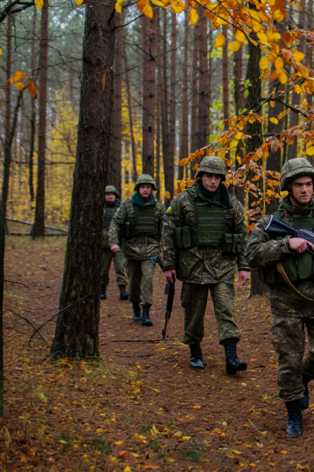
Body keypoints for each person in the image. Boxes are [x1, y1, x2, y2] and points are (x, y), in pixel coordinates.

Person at [245, 158, 314, 437]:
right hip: (286, 304)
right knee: (289, 360)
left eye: (308, 184)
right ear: (288, 187)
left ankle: (303, 379)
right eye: (299, 185)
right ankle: (294, 411)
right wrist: (286, 244)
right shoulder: (271, 223)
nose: (305, 190)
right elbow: (252, 254)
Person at [160, 156, 250, 372]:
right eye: (209, 176)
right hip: (193, 268)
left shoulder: (232, 204)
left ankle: (231, 357)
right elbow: (168, 232)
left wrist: (244, 266)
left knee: (226, 311)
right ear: (200, 177)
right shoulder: (183, 201)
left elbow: (241, 235)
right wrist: (169, 265)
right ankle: (195, 350)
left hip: (222, 267)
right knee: (193, 312)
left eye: (217, 177)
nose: (213, 181)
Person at [109, 174, 165, 326]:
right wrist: (114, 241)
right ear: (138, 188)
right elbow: (115, 222)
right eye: (143, 187)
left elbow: (164, 230)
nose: (146, 190)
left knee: (147, 279)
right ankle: (135, 307)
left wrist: (161, 249)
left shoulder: (158, 207)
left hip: (150, 249)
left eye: (148, 187)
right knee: (133, 282)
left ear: (152, 189)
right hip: (131, 249)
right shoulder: (127, 205)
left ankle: (146, 311)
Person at [100, 185, 129, 301]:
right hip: (104, 245)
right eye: (107, 194)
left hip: (119, 243)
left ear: (115, 196)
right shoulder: (100, 208)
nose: (110, 196)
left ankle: (123, 291)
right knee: (103, 269)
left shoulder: (122, 208)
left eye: (112, 194)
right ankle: (102, 291)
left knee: (120, 268)